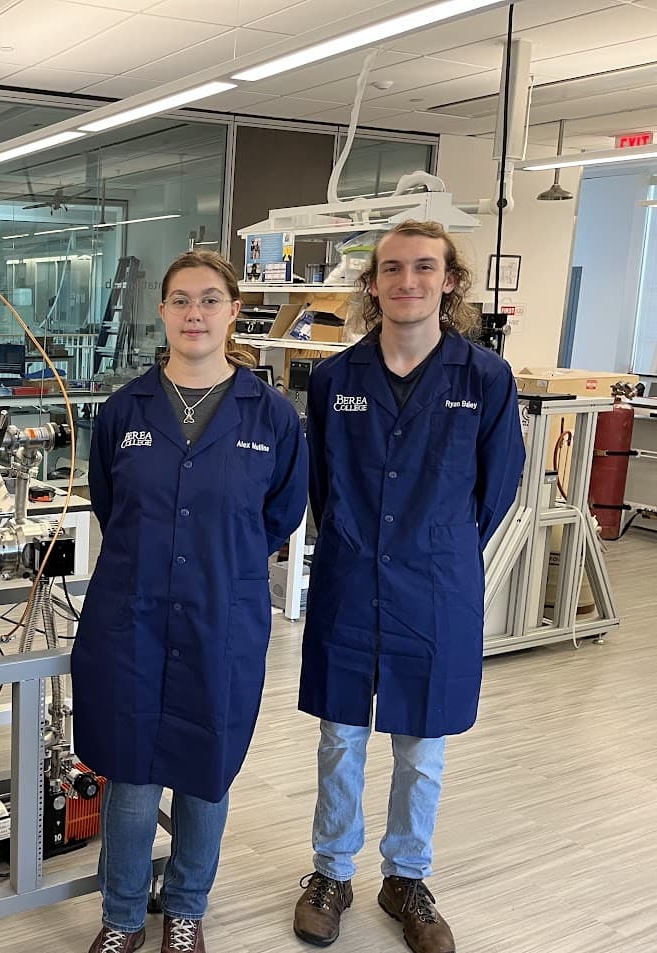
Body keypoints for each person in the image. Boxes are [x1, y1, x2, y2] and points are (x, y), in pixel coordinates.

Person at [291, 221, 525, 953]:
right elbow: (321, 488)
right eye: (391, 268)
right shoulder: (334, 379)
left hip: (435, 584)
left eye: (424, 267)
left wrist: (435, 547)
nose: (407, 281)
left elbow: (498, 487)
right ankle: (331, 871)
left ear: (449, 281)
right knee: (341, 736)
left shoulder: (484, 379)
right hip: (350, 576)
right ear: (372, 284)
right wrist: (362, 542)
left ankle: (406, 877)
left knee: (422, 745)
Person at [73, 250, 308, 953]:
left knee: (206, 773)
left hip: (221, 617)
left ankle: (185, 909)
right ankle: (121, 917)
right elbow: (111, 504)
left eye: (209, 300)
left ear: (233, 311)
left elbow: (280, 515)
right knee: (132, 774)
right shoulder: (124, 410)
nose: (194, 313)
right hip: (131, 616)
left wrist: (217, 561)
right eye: (180, 299)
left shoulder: (272, 416)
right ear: (162, 311)